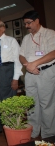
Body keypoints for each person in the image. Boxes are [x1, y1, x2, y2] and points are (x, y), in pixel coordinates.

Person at [19, 10, 55, 139]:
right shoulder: (26, 38)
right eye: (25, 24)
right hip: (30, 74)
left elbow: (53, 53)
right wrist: (28, 65)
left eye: (29, 23)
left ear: (37, 20)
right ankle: (33, 132)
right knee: (31, 104)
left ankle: (48, 135)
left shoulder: (49, 34)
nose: (27, 26)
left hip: (46, 72)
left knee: (47, 105)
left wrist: (35, 63)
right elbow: (21, 55)